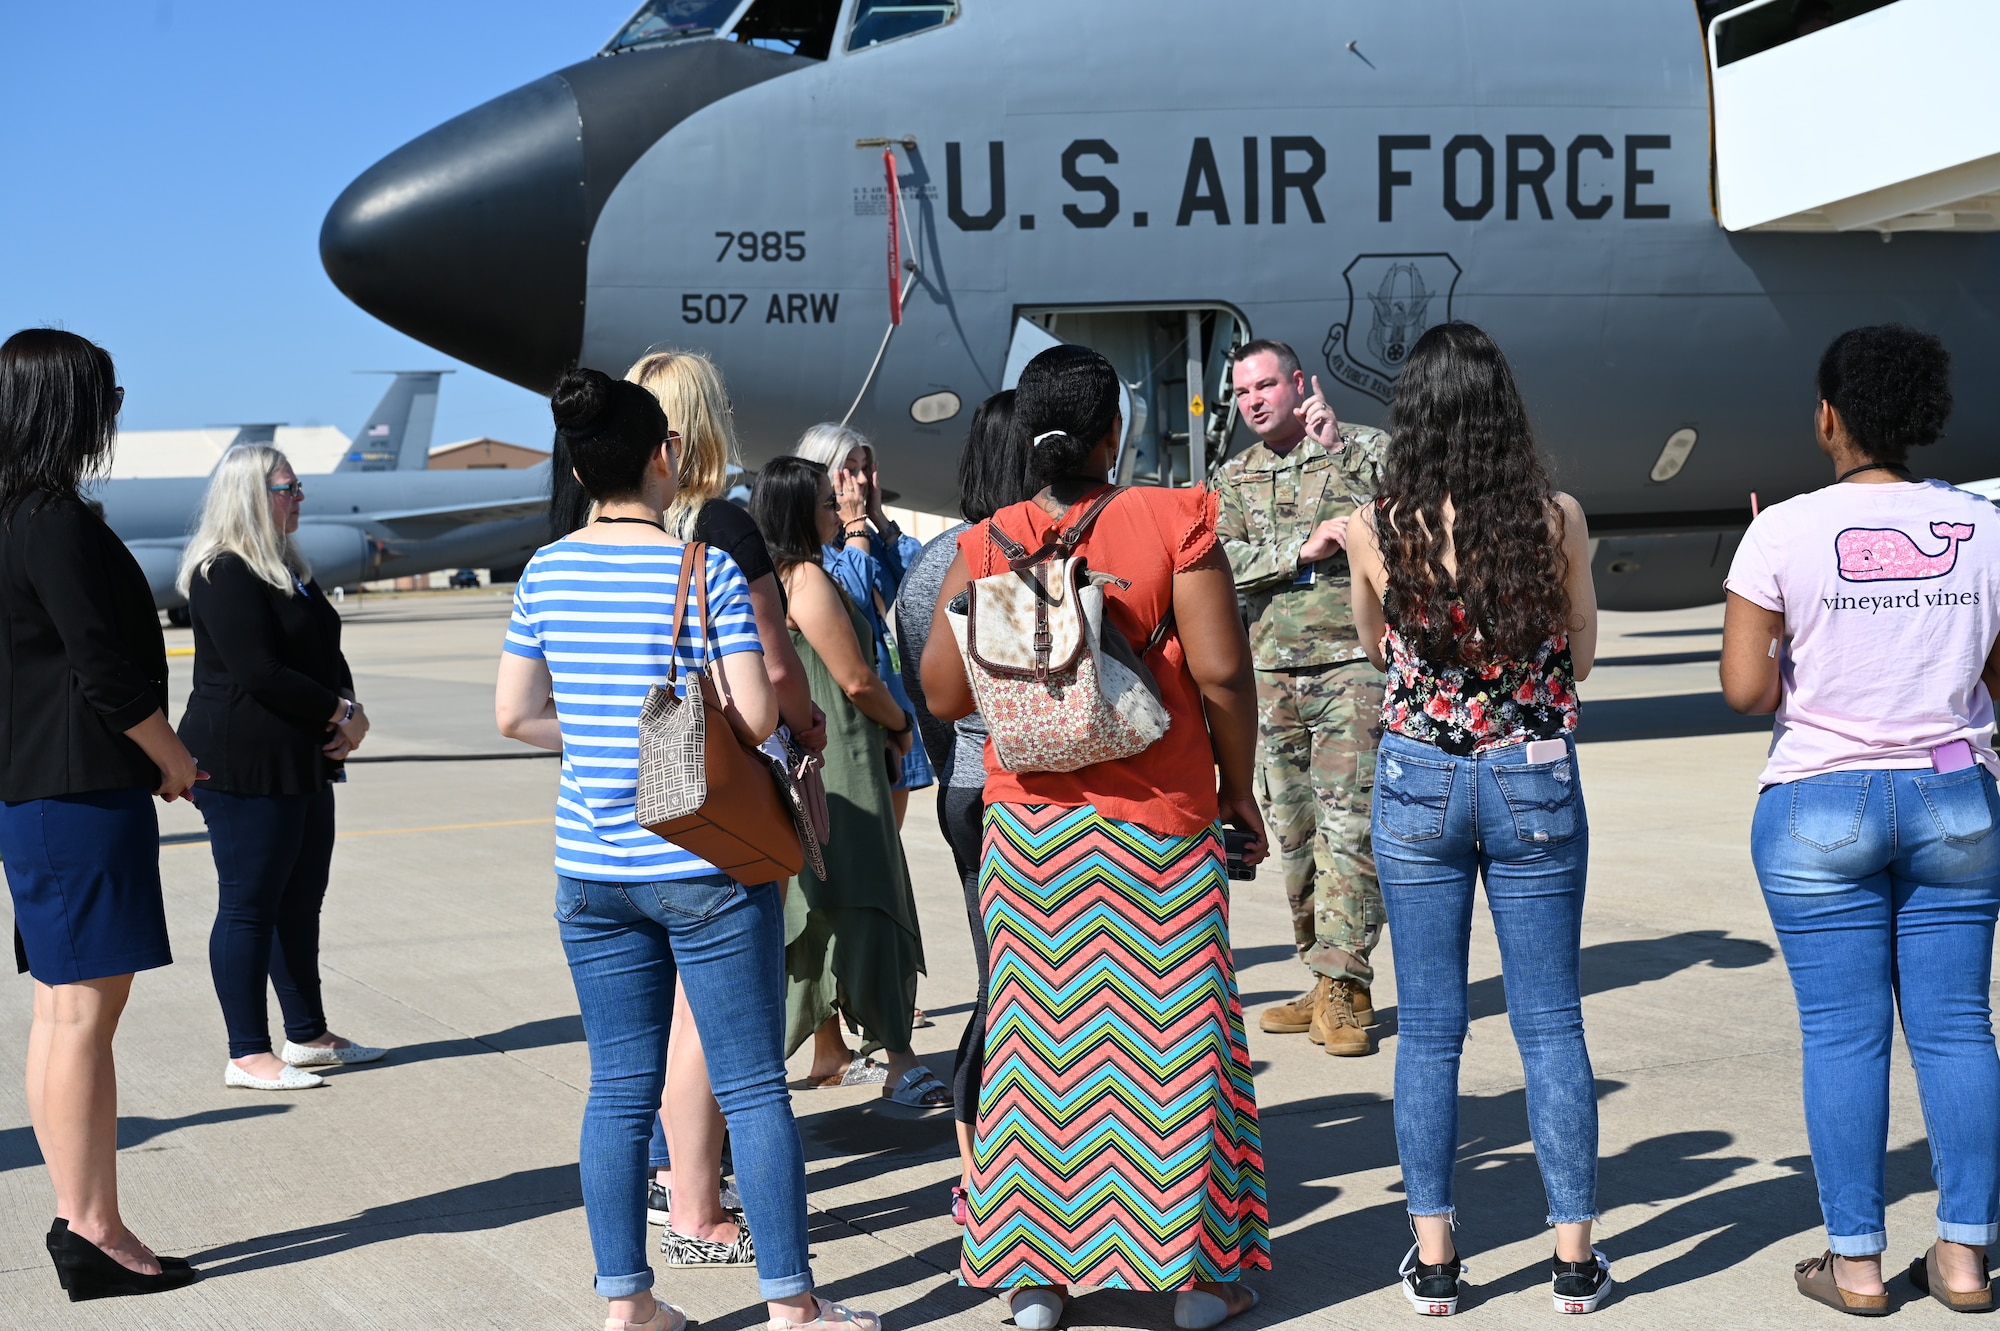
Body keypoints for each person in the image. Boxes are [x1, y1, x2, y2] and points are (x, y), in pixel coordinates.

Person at [497, 368, 876, 1331]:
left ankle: (628, 1302)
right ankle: (792, 1304)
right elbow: (753, 712)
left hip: (590, 867)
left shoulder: (543, 571)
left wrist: (601, 737)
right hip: (701, 862)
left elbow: (514, 715)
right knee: (752, 1085)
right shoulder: (695, 566)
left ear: (583, 468)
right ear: (664, 458)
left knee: (618, 1088)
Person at [921, 344, 1270, 1331]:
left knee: (1039, 1057)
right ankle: (1195, 1282)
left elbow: (946, 695)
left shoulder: (988, 540)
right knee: (1177, 1051)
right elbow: (1222, 674)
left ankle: (1036, 1285)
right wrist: (1234, 788)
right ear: (1113, 430)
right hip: (1156, 829)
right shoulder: (1170, 518)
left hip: (1030, 839)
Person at [1721, 324, 2000, 1316]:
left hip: (1818, 804)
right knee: (1958, 1028)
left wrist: (1802, 640)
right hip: (1950, 795)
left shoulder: (1781, 529)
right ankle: (1964, 1259)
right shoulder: (1980, 521)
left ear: (1827, 415)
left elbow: (1747, 689)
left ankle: (1855, 1265)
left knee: (1842, 1036)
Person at [1344, 321, 1606, 1316]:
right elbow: (1579, 656)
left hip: (1418, 772)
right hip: (1528, 770)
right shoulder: (1552, 518)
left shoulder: (1377, 525)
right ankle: (1573, 1259)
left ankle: (1437, 1256)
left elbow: (1376, 646)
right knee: (1548, 1025)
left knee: (1429, 1032)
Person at [0, 328, 200, 1300]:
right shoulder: (51, 519)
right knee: (82, 1014)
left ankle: (83, 1213)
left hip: (40, 791)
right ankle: (91, 1225)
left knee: (61, 1013)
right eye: (105, 393)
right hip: (79, 791)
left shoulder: (14, 515)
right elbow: (105, 666)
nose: (114, 408)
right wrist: (172, 757)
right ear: (66, 406)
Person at [623, 350, 828, 1268]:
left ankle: (677, 1170)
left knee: (670, 1006)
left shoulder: (622, 528)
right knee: (720, 1002)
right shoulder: (723, 526)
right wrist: (808, 722)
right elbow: (774, 665)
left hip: (637, 786)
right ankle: (698, 1202)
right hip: (722, 785)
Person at [175, 444, 382, 1092]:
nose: (300, 497)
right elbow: (258, 671)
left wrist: (349, 713)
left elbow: (323, 647)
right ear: (250, 494)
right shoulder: (223, 571)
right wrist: (338, 708)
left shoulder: (288, 567)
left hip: (297, 758)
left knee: (299, 900)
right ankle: (246, 1051)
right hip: (243, 762)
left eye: (297, 486)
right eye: (288, 486)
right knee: (248, 904)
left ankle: (308, 1034)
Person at [749, 457, 946, 1110]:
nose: (838, 512)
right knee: (874, 900)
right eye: (826, 503)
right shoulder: (806, 577)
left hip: (806, 766)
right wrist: (903, 723)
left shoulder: (762, 580)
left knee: (816, 906)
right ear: (799, 511)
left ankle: (828, 1047)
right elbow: (858, 678)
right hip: (848, 762)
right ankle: (899, 1058)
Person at [1213, 339, 1391, 1057]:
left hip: (1351, 665)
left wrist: (1339, 443)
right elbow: (1219, 562)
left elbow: (1403, 505)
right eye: (1243, 392)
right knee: (1292, 830)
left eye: (1266, 385)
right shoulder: (1232, 478)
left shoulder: (1357, 449)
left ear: (1298, 383)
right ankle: (1319, 973)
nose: (1254, 400)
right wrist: (1299, 549)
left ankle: (1348, 985)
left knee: (1350, 824)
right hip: (1271, 674)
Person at [892, 390, 1029, 1221]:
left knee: (997, 976)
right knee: (1023, 991)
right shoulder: (1012, 559)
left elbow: (926, 695)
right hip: (1024, 788)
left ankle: (975, 1161)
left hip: (963, 786)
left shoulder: (926, 565)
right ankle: (998, 1162)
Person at [793, 423, 932, 825]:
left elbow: (918, 579)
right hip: (851, 713)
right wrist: (855, 530)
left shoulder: (864, 532)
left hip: (891, 699)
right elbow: (851, 604)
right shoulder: (811, 550)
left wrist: (878, 519)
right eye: (848, 469)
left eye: (864, 469)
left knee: (890, 846)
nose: (857, 480)